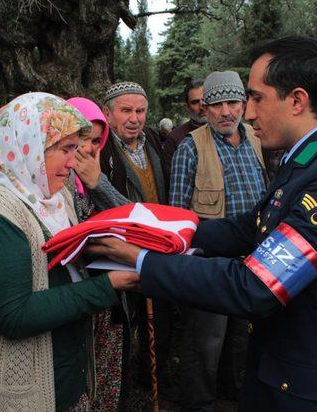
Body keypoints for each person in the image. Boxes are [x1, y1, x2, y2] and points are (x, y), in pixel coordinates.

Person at [90, 36, 317, 411]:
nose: (246, 113)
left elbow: (255, 285)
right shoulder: (310, 155)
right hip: (285, 371)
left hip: (314, 390)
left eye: (256, 98)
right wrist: (170, 235)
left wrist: (143, 264)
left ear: (297, 100)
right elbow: (253, 227)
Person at [0, 92, 134, 411]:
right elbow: (14, 314)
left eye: (75, 149)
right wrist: (109, 285)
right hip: (16, 395)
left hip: (62, 380)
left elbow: (58, 266)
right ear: (27, 146)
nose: (73, 163)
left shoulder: (51, 198)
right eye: (65, 149)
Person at [169, 70, 265, 410]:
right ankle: (199, 404)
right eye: (216, 104)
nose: (226, 112)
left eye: (233, 102)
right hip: (209, 264)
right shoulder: (189, 148)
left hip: (252, 259)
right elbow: (178, 214)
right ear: (204, 109)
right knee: (206, 341)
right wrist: (186, 268)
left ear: (244, 104)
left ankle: (233, 393)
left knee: (242, 335)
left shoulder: (257, 138)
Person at [98, 81, 175, 398]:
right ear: (108, 113)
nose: (134, 118)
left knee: (160, 319)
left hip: (157, 245)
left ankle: (152, 380)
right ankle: (121, 390)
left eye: (140, 110)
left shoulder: (154, 142)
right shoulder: (102, 150)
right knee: (123, 323)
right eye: (126, 110)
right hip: (118, 250)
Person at [66, 96, 129, 410]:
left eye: (94, 141)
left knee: (103, 376)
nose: (87, 149)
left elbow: (130, 217)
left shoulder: (99, 173)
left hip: (108, 298)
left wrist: (97, 182)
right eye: (78, 140)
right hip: (74, 299)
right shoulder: (53, 180)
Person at [164, 78, 207, 158]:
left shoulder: (226, 131)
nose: (202, 106)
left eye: (206, 99)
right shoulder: (175, 138)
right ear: (187, 107)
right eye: (195, 102)